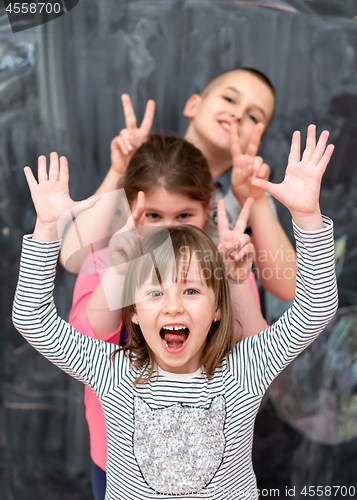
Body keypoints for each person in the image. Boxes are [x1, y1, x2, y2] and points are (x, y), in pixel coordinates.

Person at [13, 125, 338, 500]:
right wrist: (46, 227)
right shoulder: (110, 370)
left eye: (191, 290)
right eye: (154, 291)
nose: (173, 305)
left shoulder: (247, 366)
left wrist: (308, 216)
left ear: (219, 308)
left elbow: (316, 307)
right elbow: (31, 318)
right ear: (131, 312)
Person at [68, 134, 265, 499]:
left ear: (208, 208)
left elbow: (257, 349)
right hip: (122, 459)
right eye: (153, 216)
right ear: (129, 210)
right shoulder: (105, 264)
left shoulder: (224, 270)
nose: (169, 228)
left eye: (184, 215)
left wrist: (236, 280)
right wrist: (120, 271)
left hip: (212, 467)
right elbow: (86, 340)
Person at [61, 69, 298, 301]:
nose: (238, 113)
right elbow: (73, 257)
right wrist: (120, 171)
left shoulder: (252, 197)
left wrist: (255, 201)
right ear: (193, 105)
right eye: (229, 98)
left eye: (254, 116)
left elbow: (287, 288)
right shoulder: (148, 173)